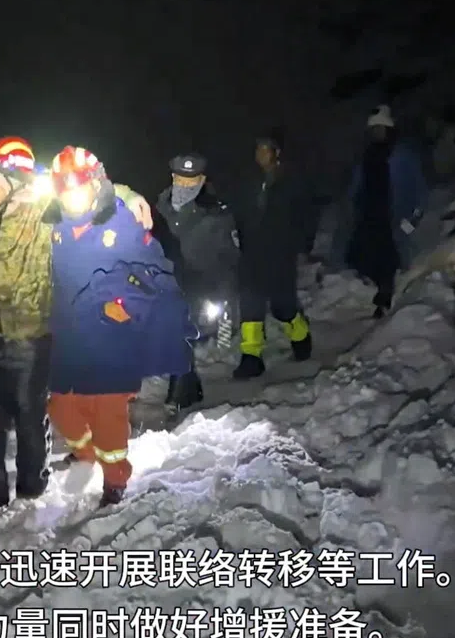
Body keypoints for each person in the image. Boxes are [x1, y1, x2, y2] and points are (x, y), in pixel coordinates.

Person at [0, 137, 154, 516]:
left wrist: (127, 196)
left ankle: (34, 489)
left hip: (34, 335)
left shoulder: (43, 212)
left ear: (15, 182)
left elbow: (85, 188)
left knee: (30, 415)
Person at [43, 145, 197, 507]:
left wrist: (125, 306)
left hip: (112, 337)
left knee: (107, 414)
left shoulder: (123, 222)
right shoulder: (51, 224)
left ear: (96, 185)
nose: (72, 197)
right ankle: (85, 453)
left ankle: (115, 477)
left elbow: (154, 274)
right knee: (62, 407)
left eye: (78, 188)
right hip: (68, 336)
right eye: (64, 190)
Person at [150, 153, 239, 407]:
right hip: (166, 286)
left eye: (192, 181)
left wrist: (225, 304)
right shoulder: (159, 208)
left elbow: (230, 260)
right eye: (180, 179)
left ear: (202, 180)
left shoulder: (217, 214)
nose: (185, 186)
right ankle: (190, 388)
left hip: (200, 288)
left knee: (180, 338)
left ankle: (176, 398)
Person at [231, 130, 314, 380]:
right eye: (258, 149)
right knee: (250, 303)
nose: (260, 154)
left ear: (276, 153)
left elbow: (304, 216)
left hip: (280, 253)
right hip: (252, 253)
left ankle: (300, 336)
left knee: (283, 306)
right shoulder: (249, 181)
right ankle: (251, 357)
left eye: (265, 149)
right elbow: (240, 212)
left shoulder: (291, 181)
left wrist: (301, 244)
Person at [344, 105, 430, 319]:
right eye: (374, 129)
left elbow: (421, 190)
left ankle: (387, 295)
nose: (377, 133)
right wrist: (353, 205)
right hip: (370, 214)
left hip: (394, 216)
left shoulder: (403, 156)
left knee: (391, 256)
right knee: (368, 253)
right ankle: (373, 286)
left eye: (381, 128)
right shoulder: (367, 156)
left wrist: (413, 218)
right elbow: (357, 186)